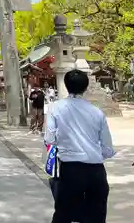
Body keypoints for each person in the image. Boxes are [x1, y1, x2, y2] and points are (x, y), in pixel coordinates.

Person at [45, 69, 115, 223]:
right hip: (96, 170)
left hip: (71, 169)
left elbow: (49, 138)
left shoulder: (56, 108)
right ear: (86, 86)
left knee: (63, 214)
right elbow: (108, 149)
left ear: (66, 85)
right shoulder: (97, 112)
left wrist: (65, 143)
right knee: (96, 216)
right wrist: (92, 152)